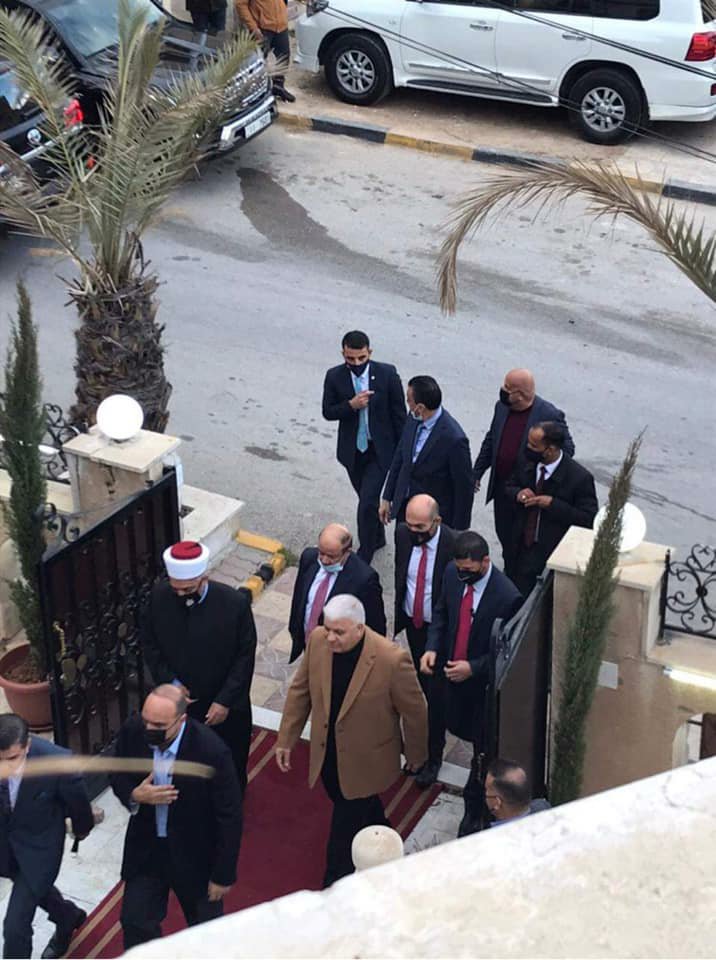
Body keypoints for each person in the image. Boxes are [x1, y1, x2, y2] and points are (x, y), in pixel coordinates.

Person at [276, 595, 427, 887]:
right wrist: (286, 739)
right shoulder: (318, 640)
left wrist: (416, 754)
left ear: (360, 629)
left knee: (344, 831)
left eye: (339, 632)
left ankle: (335, 885)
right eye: (327, 628)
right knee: (354, 804)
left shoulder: (391, 659)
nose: (330, 637)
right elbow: (300, 690)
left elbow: (415, 711)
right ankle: (383, 833)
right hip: (327, 753)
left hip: (366, 761)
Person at [111, 685, 243, 950]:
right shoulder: (134, 730)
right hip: (148, 850)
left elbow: (230, 816)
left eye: (158, 725)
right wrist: (135, 794)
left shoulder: (211, 752)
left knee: (207, 934)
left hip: (196, 856)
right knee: (135, 922)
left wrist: (222, 875)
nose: (149, 728)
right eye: (146, 720)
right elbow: (117, 772)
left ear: (181, 720)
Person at [421, 531, 522, 838]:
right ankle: (432, 761)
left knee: (481, 751)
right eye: (459, 568)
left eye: (468, 569)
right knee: (436, 716)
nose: (462, 574)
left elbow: (507, 652)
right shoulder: (452, 575)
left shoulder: (507, 596)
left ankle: (474, 806)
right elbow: (441, 612)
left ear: (485, 562)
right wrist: (432, 647)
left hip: (479, 688)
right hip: (447, 672)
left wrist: (473, 668)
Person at [141, 540, 257, 793]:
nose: (181, 595)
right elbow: (150, 645)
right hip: (180, 705)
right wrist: (172, 684)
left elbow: (244, 656)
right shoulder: (159, 597)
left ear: (204, 577)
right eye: (176, 589)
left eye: (188, 589)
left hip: (225, 705)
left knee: (230, 763)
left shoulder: (234, 603)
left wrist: (224, 701)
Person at [0, 714, 94, 960]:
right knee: (37, 892)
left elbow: (79, 807)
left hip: (39, 850)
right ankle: (67, 916)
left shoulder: (57, 762)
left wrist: (81, 830)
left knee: (15, 927)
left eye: (12, 759)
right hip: (5, 847)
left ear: (27, 746)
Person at [473, 369, 574, 564]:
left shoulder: (549, 414)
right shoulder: (502, 407)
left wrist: (538, 467)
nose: (502, 390)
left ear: (520, 394)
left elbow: (567, 450)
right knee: (504, 534)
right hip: (503, 488)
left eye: (507, 388)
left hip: (528, 492)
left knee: (521, 543)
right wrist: (477, 472)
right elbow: (492, 439)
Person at [322, 331, 406, 563]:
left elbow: (399, 415)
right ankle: (377, 537)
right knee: (366, 498)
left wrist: (403, 453)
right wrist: (351, 405)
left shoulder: (387, 374)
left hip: (380, 452)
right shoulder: (335, 376)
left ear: (369, 352)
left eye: (361, 358)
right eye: (350, 359)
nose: (357, 363)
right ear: (343, 354)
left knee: (367, 501)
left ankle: (365, 554)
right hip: (352, 453)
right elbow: (328, 411)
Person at [394, 494, 456, 789]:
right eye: (410, 525)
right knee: (420, 687)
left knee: (436, 693)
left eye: (420, 527)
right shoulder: (403, 535)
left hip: (440, 631)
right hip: (414, 624)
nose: (414, 533)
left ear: (437, 522)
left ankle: (433, 756)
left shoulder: (453, 544)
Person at [505, 421, 598, 597]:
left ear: (551, 450)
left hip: (553, 552)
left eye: (534, 446)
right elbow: (509, 485)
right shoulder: (526, 461)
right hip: (521, 547)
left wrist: (553, 505)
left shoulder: (579, 478)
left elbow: (588, 518)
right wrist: (518, 493)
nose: (528, 448)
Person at [380, 376, 474, 531]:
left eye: (409, 400)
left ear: (420, 407)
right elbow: (400, 457)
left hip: (431, 520)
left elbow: (464, 489)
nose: (407, 403)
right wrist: (387, 497)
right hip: (405, 508)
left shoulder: (454, 439)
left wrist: (458, 533)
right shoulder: (413, 418)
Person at [288, 523, 386, 663]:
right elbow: (299, 598)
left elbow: (376, 626)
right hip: (307, 643)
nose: (324, 560)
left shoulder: (364, 579)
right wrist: (294, 630)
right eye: (321, 553)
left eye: (331, 556)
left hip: (339, 655)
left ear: (347, 552)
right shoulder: (309, 558)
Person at [235, 0, 295, 102]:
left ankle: (278, 87)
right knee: (257, 63)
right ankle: (254, 93)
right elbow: (240, 4)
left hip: (281, 26)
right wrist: (253, 27)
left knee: (284, 57)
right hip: (262, 29)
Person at [485, 758, 551, 826]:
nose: (485, 794)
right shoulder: (542, 807)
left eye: (486, 789)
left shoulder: (495, 832)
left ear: (497, 803)